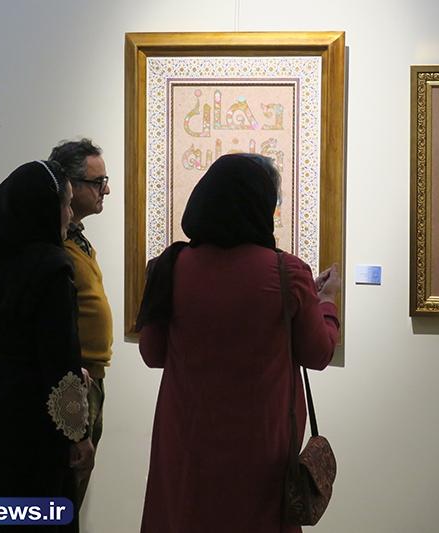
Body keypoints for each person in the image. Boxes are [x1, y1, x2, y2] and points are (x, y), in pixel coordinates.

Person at [136, 153, 340, 533]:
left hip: (187, 435)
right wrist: (326, 303)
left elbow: (152, 353)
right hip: (260, 441)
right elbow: (318, 353)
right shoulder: (287, 272)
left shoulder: (171, 267)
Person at [0, 160, 93, 531]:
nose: (69, 214)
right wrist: (78, 435)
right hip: (24, 420)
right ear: (45, 206)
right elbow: (60, 358)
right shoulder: (51, 268)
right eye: (66, 204)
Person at [49, 139, 113, 507]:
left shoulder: (78, 241)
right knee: (62, 489)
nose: (106, 190)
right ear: (70, 186)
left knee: (74, 488)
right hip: (73, 378)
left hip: (91, 377)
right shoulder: (55, 248)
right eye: (98, 182)